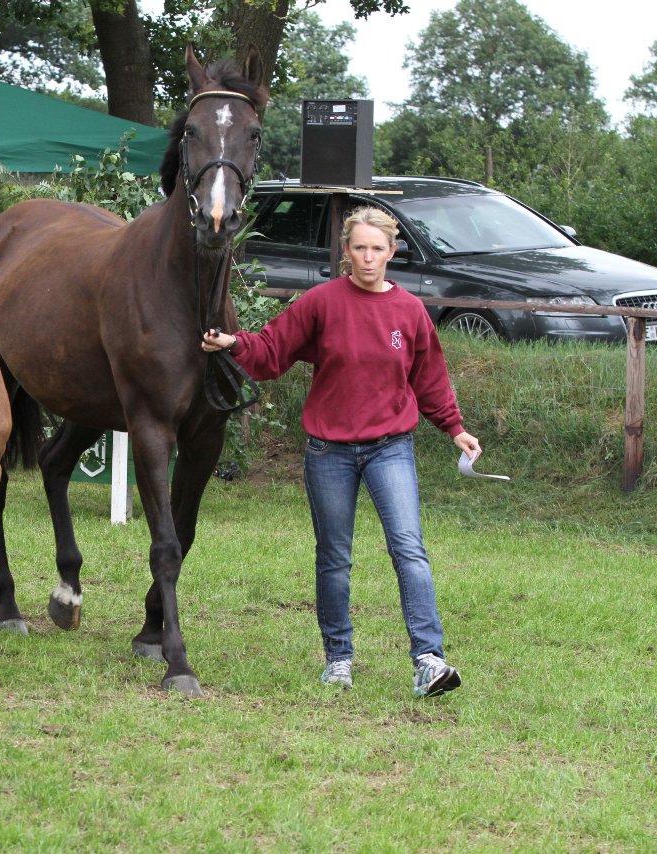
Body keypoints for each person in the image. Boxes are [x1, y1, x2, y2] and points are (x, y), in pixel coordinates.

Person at [201, 206, 481, 698]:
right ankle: (338, 659)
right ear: (345, 252)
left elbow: (429, 379)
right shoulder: (321, 302)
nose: (368, 258)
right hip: (329, 452)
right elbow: (272, 350)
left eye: (377, 249)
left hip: (390, 448)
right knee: (334, 557)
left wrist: (455, 428)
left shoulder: (410, 312)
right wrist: (232, 343)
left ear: (392, 253)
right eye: (359, 248)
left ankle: (429, 661)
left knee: (409, 549)